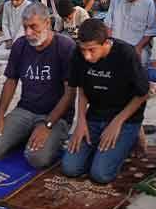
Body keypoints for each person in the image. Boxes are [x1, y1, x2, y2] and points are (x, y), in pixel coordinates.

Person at [0, 2, 76, 169]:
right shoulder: (20, 45)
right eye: (25, 27)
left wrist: (48, 125)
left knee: (36, 158)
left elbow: (70, 94)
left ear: (47, 23)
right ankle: (25, 134)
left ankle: (44, 136)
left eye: (33, 27)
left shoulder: (65, 47)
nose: (29, 33)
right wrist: (0, 116)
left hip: (55, 116)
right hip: (25, 110)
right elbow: (11, 81)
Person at [61, 18, 149, 184]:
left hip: (125, 118)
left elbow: (143, 93)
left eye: (92, 50)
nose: (86, 56)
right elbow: (81, 87)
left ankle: (134, 135)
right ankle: (103, 148)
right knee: (70, 168)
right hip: (95, 115)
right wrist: (80, 121)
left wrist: (117, 123)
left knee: (100, 174)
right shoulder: (78, 54)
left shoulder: (126, 54)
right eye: (83, 50)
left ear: (106, 43)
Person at [104, 0, 156, 64]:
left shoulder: (147, 2)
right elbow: (108, 24)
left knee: (139, 60)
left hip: (137, 45)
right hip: (116, 44)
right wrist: (110, 43)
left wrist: (138, 47)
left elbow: (151, 30)